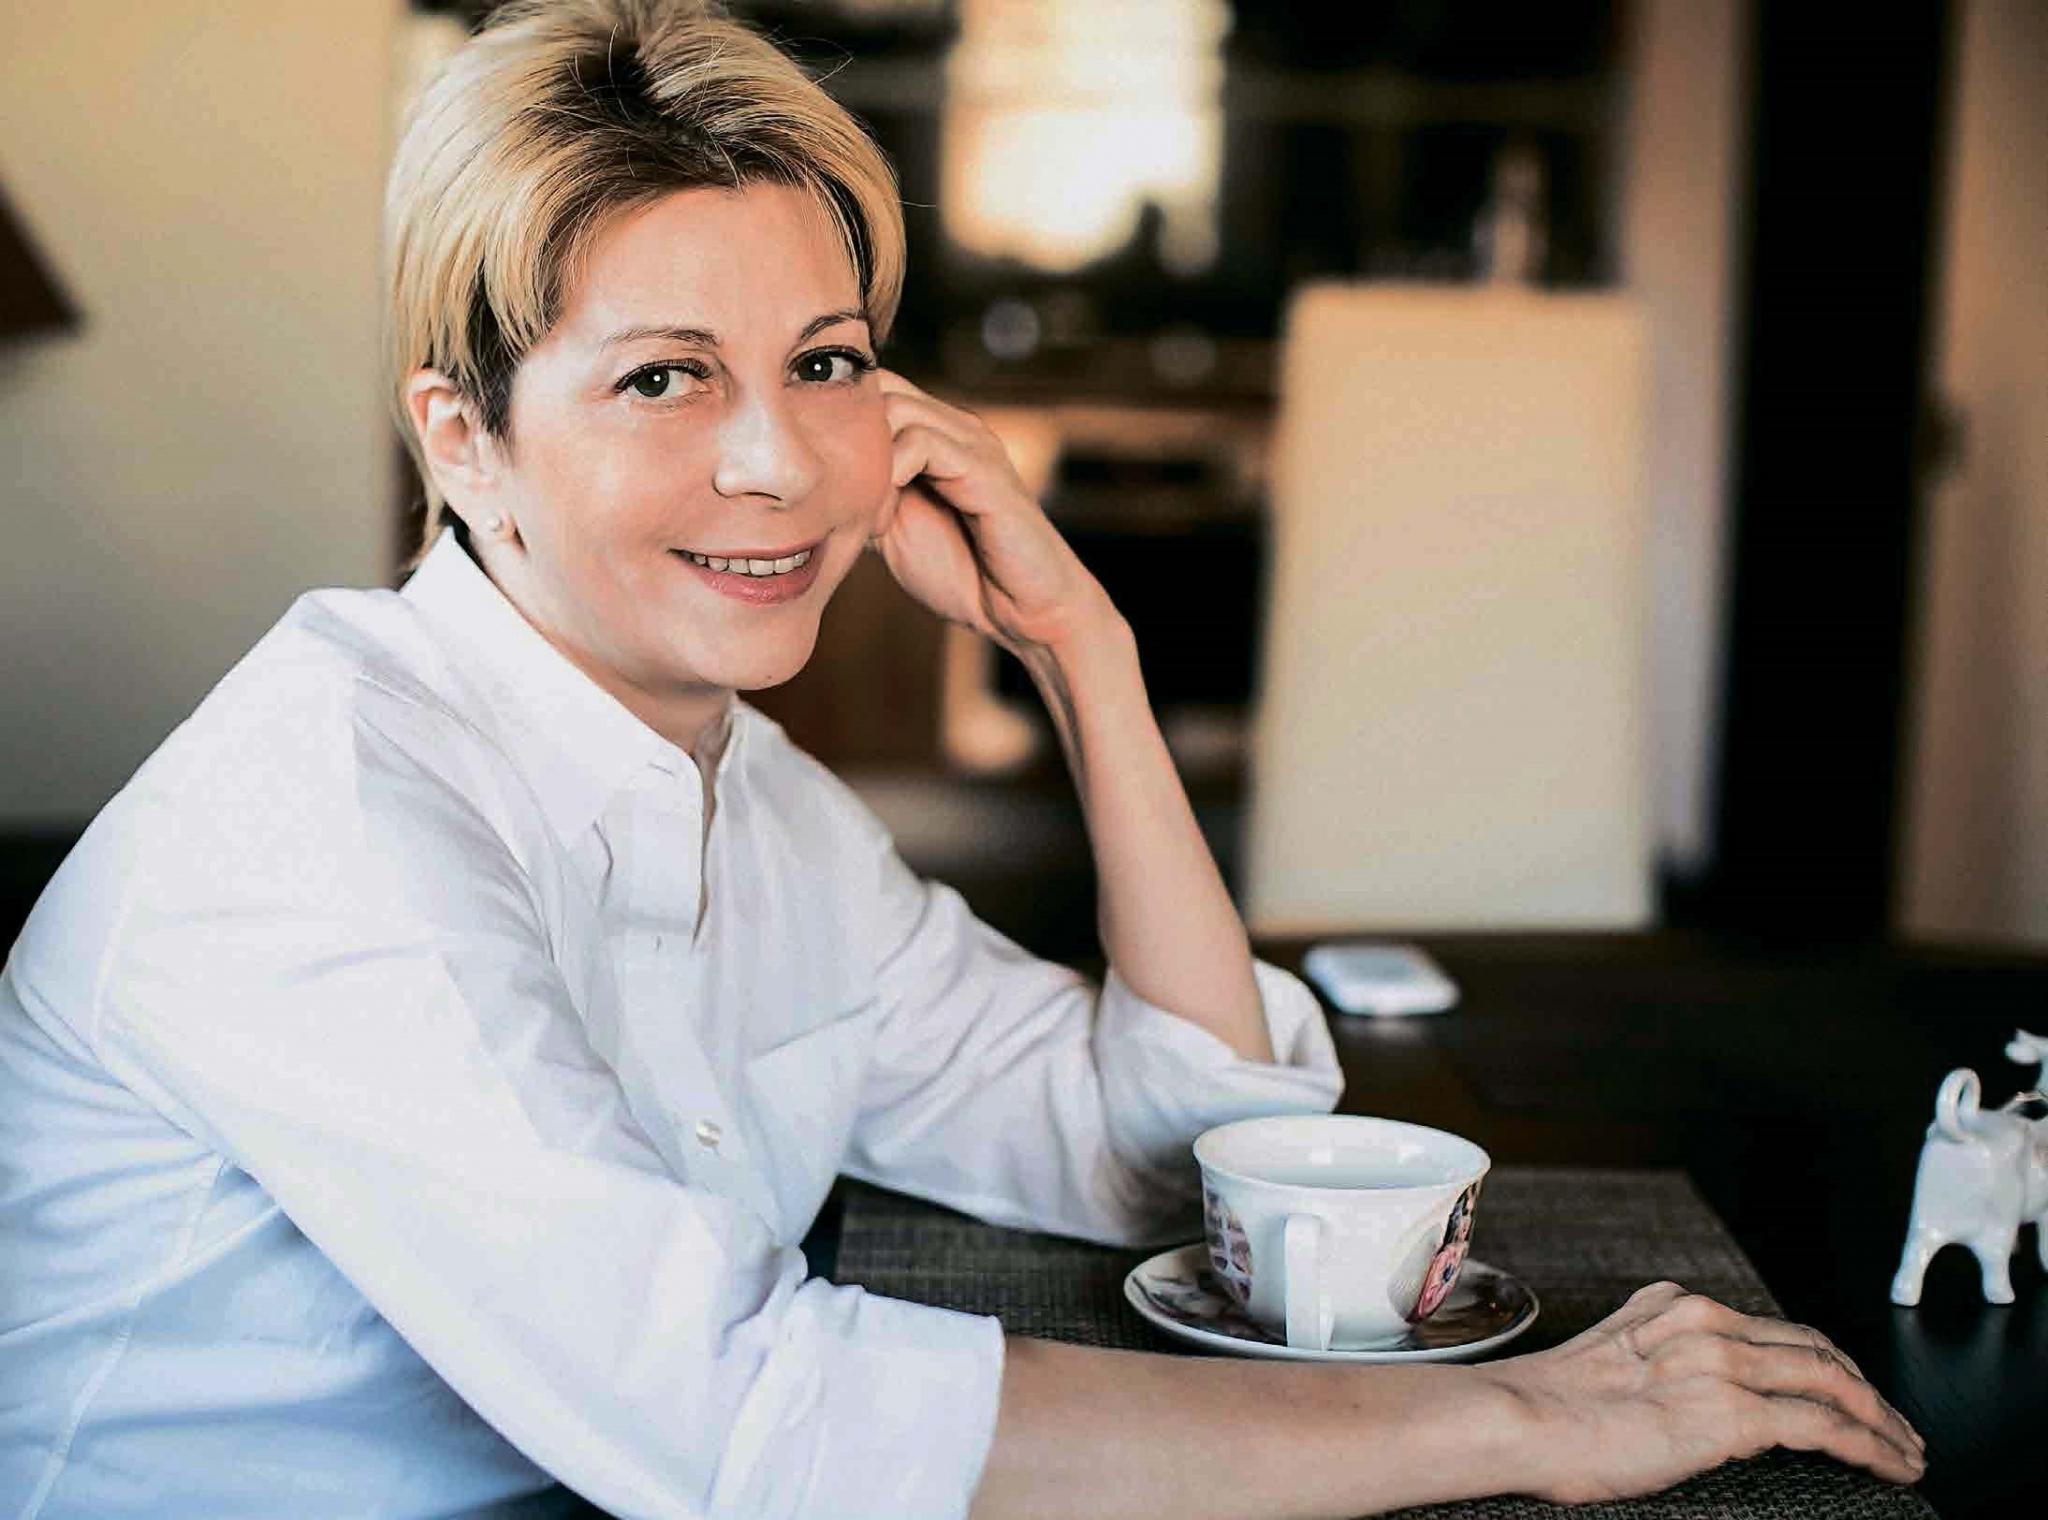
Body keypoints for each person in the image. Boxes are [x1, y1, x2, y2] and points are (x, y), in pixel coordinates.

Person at [0, 2, 1925, 1517]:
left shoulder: (760, 806)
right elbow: (753, 1423)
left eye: (825, 362)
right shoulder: (325, 817)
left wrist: (1087, 661)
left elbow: (1173, 1158)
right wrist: (1526, 1421)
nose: (776, 461)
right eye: (664, 376)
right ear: (464, 441)